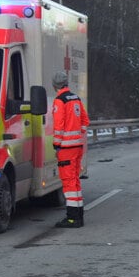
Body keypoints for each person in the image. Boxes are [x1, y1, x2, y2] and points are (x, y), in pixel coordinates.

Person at [51, 72, 90, 228]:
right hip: (77, 147)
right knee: (75, 181)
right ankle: (78, 215)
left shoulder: (59, 101)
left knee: (68, 183)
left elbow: (58, 125)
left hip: (66, 148)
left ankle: (72, 218)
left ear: (55, 85)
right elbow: (85, 121)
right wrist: (78, 136)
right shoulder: (76, 98)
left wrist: (57, 144)